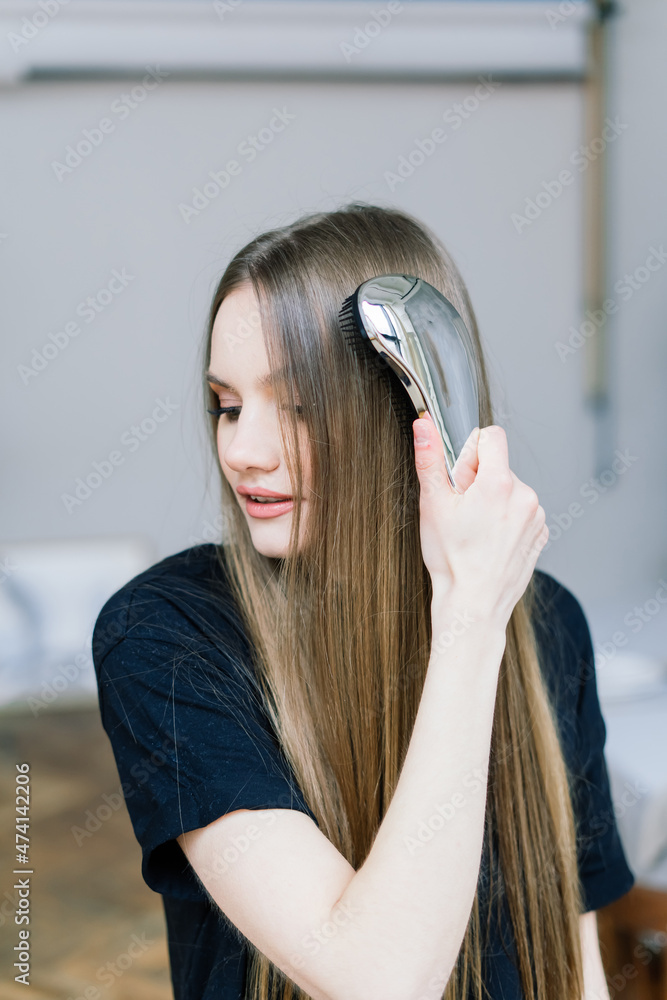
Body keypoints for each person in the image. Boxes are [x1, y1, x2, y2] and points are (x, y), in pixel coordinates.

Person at [92, 203, 635, 1000]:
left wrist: (479, 607)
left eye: (299, 408)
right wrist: (470, 613)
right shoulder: (169, 635)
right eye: (227, 405)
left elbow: (574, 963)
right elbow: (377, 981)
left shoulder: (546, 627)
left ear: (416, 417)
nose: (241, 451)